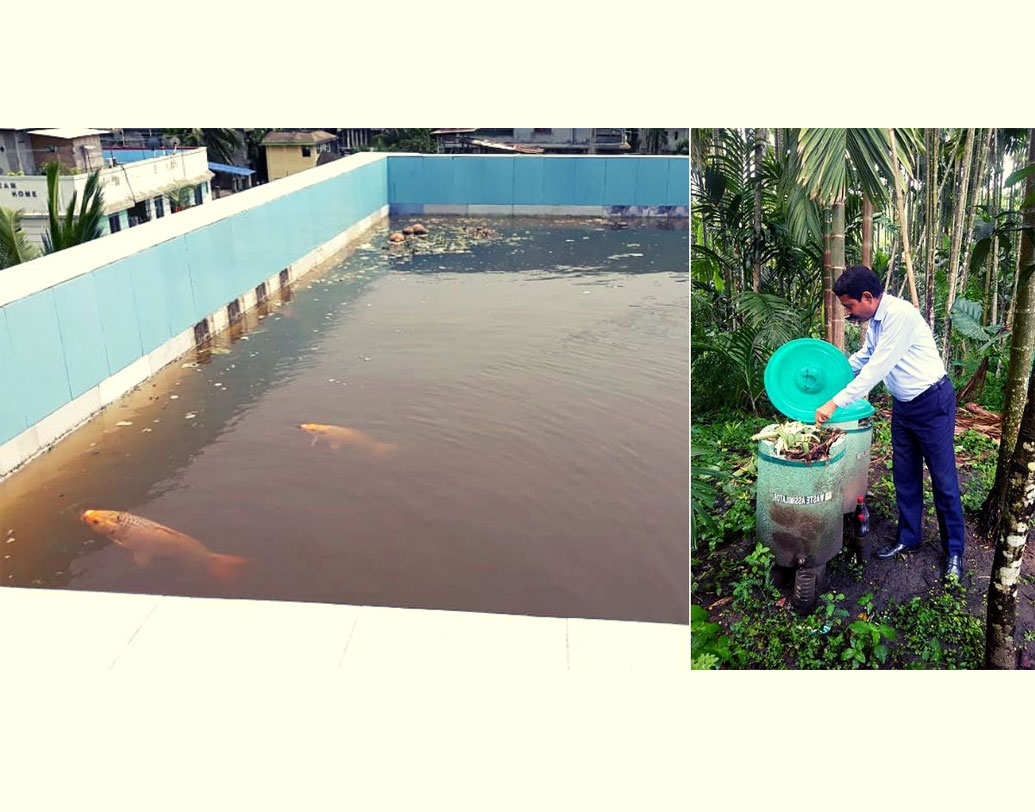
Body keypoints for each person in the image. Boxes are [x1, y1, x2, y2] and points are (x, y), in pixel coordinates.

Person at [814, 265, 964, 581]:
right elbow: (865, 357)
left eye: (850, 306)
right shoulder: (877, 321)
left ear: (867, 297)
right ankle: (909, 537)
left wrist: (835, 402)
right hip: (905, 406)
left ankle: (954, 552)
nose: (848, 313)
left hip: (932, 402)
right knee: (905, 474)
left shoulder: (900, 316)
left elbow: (876, 369)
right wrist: (834, 375)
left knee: (943, 479)